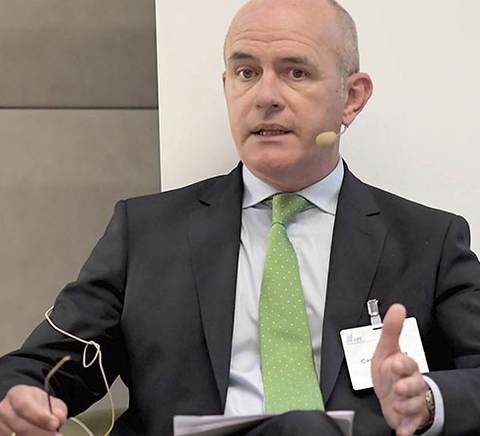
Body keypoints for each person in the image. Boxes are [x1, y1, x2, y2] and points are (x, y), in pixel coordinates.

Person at [0, 0, 479, 435]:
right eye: (246, 72)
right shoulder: (145, 234)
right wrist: (23, 397)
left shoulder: (428, 241)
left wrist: (427, 401)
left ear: (351, 97)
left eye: (295, 72)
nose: (265, 96)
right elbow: (41, 367)